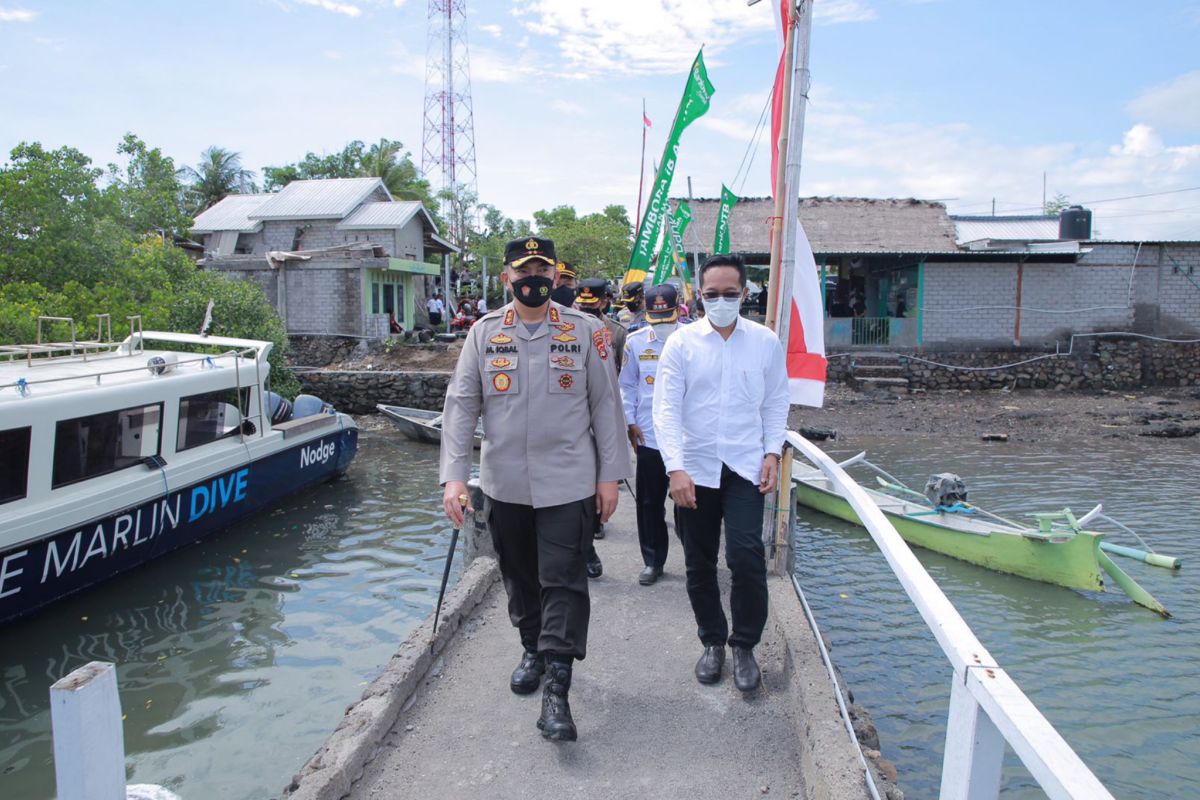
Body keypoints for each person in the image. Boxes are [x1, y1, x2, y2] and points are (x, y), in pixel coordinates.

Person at [440, 236, 629, 742]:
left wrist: (609, 477)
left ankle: (558, 693)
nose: (533, 278)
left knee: (564, 580)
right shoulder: (483, 335)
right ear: (507, 277)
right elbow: (462, 408)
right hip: (505, 483)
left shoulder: (586, 333)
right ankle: (533, 648)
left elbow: (606, 408)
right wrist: (455, 477)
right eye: (524, 270)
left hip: (568, 481)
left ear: (554, 275)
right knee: (520, 578)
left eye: (543, 269)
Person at [652, 253, 789, 694]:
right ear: (699, 296)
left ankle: (744, 645)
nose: (722, 301)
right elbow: (666, 410)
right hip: (695, 467)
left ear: (745, 293)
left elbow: (775, 402)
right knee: (699, 561)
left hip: (746, 465)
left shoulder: (765, 342)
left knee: (747, 556)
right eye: (713, 295)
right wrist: (675, 468)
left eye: (731, 294)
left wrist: (773, 452)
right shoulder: (681, 344)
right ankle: (712, 641)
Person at [619, 284, 681, 586]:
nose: (662, 322)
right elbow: (627, 386)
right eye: (656, 316)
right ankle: (653, 560)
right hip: (649, 435)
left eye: (667, 315)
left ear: (677, 307)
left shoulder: (694, 338)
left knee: (690, 502)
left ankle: (696, 555)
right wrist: (630, 421)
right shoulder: (635, 342)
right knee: (649, 502)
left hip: (687, 438)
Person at [573, 277, 628, 576]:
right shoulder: (564, 326)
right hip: (575, 418)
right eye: (582, 304)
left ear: (604, 303)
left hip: (604, 415)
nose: (586, 309)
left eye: (592, 305)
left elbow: (622, 377)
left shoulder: (617, 332)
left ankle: (594, 529)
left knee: (600, 480)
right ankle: (587, 546)